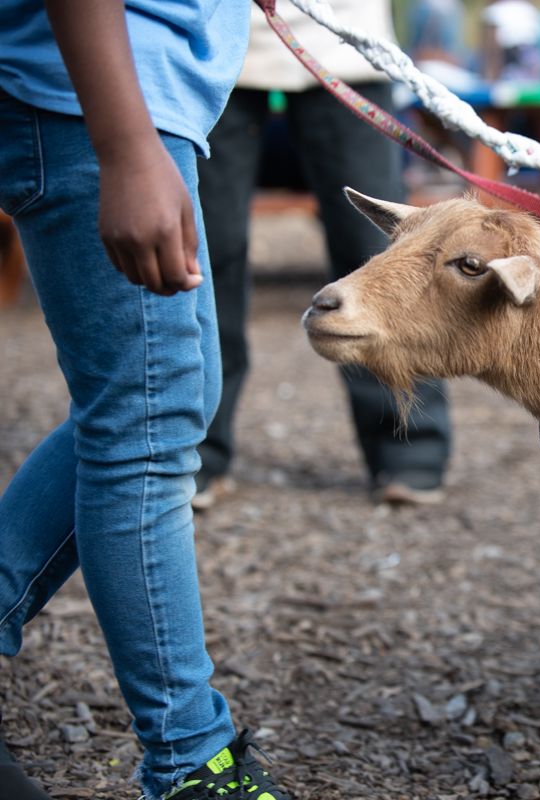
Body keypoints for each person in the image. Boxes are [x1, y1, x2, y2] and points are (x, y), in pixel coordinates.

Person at [0, 2, 291, 799]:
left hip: (125, 101)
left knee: (158, 407)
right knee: (144, 430)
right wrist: (125, 147)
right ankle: (193, 763)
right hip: (97, 103)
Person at [194, 0, 452, 510]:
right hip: (214, 45)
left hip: (345, 43)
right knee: (207, 252)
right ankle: (196, 450)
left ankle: (409, 449)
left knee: (378, 251)